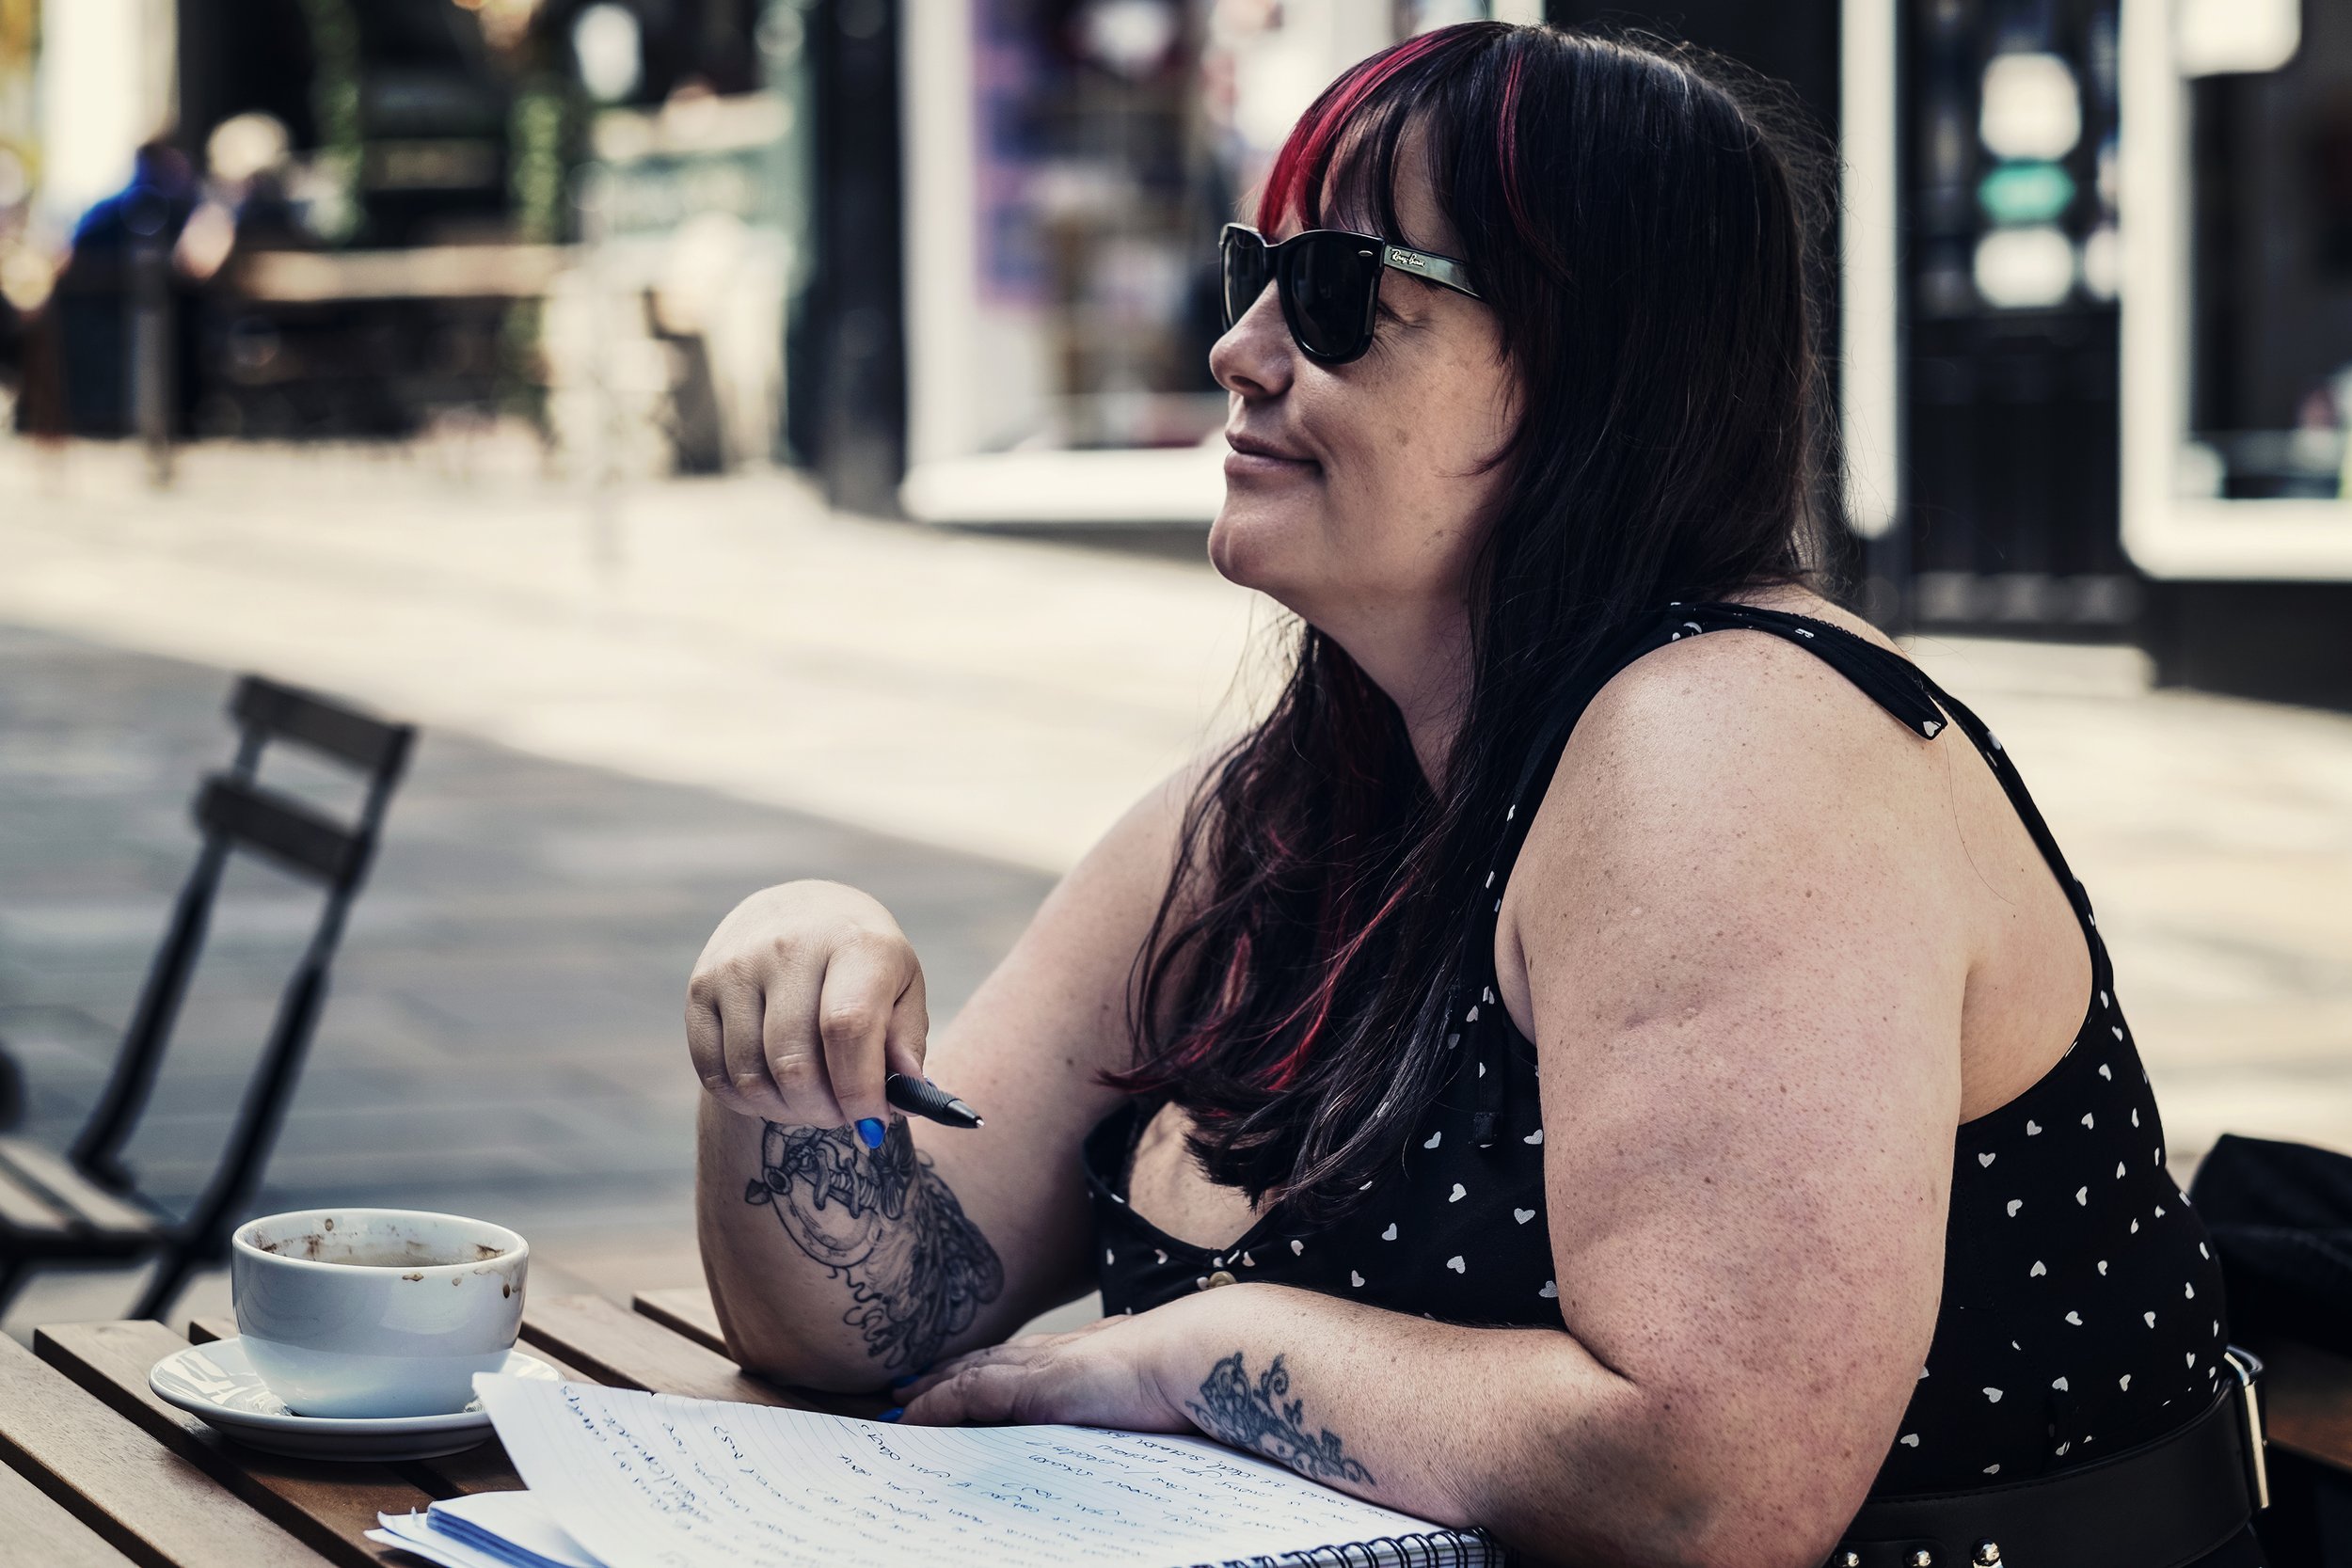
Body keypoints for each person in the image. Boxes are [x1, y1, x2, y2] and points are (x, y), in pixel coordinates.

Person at [687, 24, 2261, 1566]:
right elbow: (864, 1309)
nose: (1238, 346)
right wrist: (792, 1024)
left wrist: (1191, 1360)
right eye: (1256, 271)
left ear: (1589, 366)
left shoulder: (1733, 747)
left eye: (1340, 293)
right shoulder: (1288, 807)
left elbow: (1704, 1487)